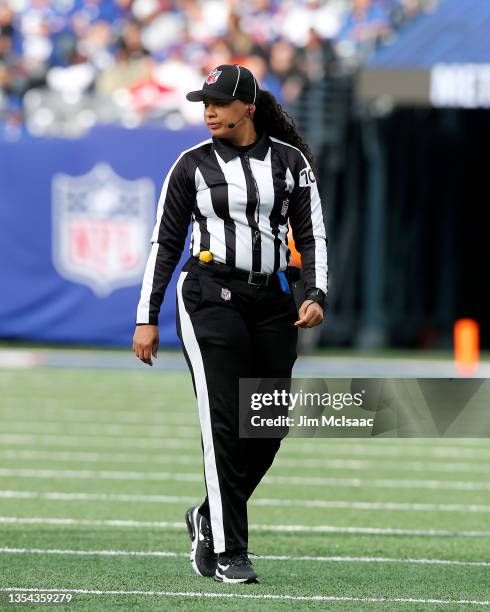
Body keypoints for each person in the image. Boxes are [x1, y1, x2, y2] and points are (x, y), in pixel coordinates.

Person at [133, 63, 328, 584]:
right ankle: (229, 550)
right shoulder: (190, 165)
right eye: (204, 103)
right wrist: (146, 317)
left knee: (268, 421)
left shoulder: (291, 163)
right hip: (208, 295)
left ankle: (206, 513)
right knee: (224, 420)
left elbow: (311, 235)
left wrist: (314, 292)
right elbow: (164, 244)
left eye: (219, 102)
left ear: (249, 107)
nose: (209, 111)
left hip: (271, 301)